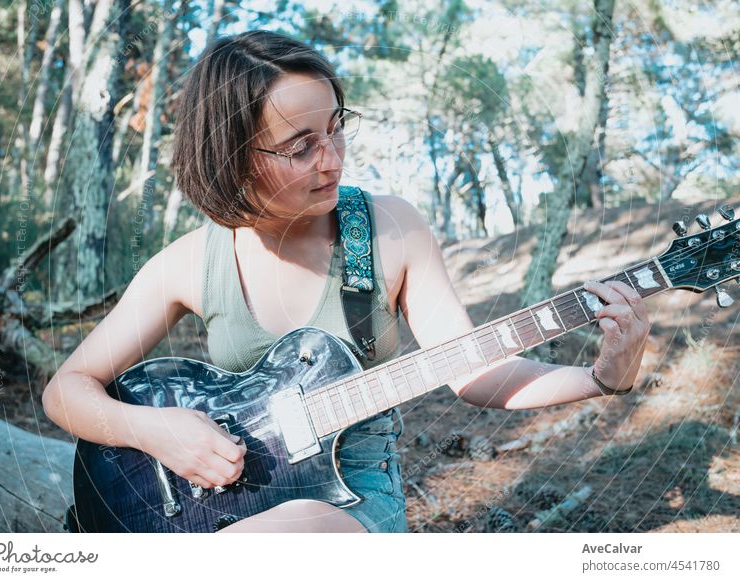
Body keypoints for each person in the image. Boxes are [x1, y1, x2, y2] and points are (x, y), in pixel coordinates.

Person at [42, 30, 651, 533]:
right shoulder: (189, 263)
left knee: (302, 530)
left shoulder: (390, 228)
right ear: (232, 154)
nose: (332, 158)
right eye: (301, 146)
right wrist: (156, 430)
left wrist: (601, 378)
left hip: (348, 503)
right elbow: (65, 390)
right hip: (206, 511)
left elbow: (473, 370)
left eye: (336, 127)